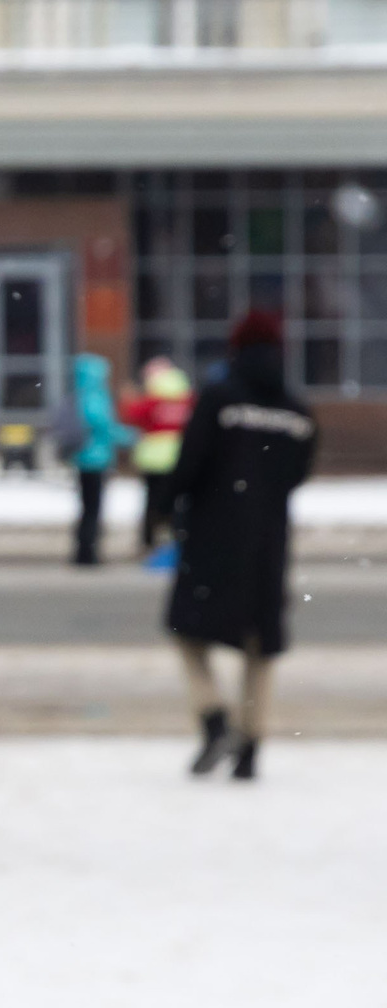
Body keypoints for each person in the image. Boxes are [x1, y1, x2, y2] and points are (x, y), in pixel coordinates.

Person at [163, 310, 315, 781]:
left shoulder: (219, 399)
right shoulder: (297, 411)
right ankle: (250, 744)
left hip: (212, 537)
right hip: (268, 542)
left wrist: (162, 509)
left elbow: (189, 463)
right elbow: (297, 474)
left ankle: (213, 718)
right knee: (259, 645)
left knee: (187, 632)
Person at [66, 352, 134, 566]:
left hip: (83, 458)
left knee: (87, 507)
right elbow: (105, 427)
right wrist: (131, 437)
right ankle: (88, 552)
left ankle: (84, 551)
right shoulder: (96, 398)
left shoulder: (79, 395)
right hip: (96, 460)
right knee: (93, 509)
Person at [126, 357, 194, 560]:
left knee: (153, 503)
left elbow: (133, 415)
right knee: (176, 503)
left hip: (153, 459)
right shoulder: (186, 400)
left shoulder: (153, 400)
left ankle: (150, 542)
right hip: (178, 457)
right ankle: (176, 540)